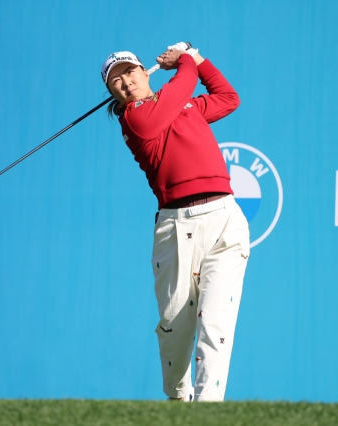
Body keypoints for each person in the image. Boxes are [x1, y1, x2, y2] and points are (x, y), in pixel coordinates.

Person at [101, 43, 250, 402]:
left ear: (144, 72)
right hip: (176, 227)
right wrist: (186, 61)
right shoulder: (134, 120)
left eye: (130, 72)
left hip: (224, 218)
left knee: (215, 323)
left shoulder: (185, 106)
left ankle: (207, 411)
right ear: (114, 97)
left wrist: (199, 60)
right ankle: (177, 400)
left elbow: (228, 98)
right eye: (115, 82)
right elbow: (175, 94)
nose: (125, 82)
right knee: (175, 328)